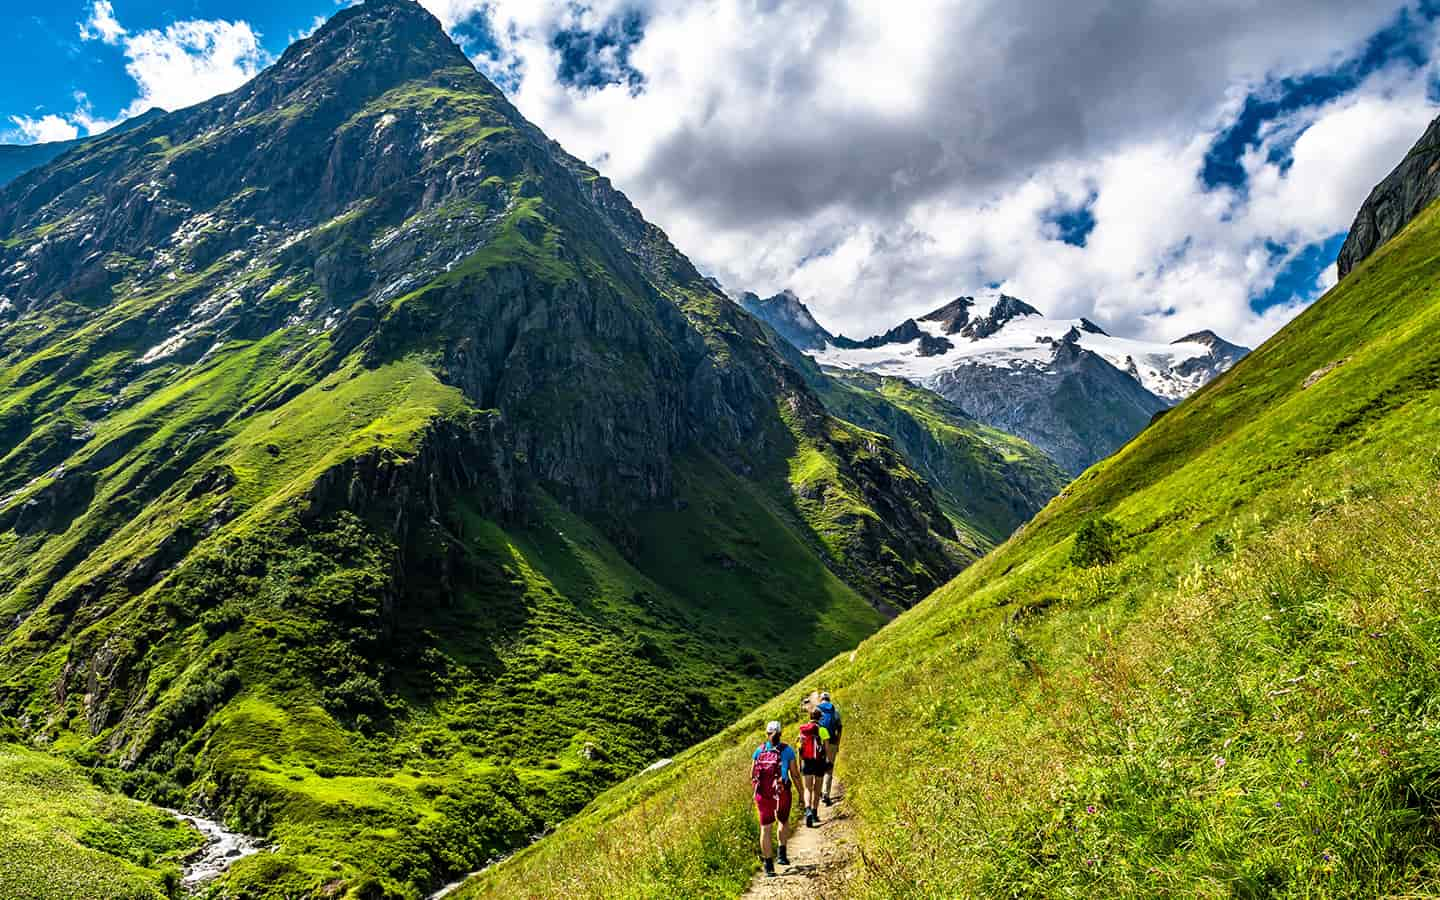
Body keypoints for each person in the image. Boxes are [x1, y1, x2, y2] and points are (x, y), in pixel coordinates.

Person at [751, 720, 804, 877]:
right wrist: (801, 793)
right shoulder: (787, 751)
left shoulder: (758, 751)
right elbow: (794, 774)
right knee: (783, 821)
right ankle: (781, 855)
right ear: (781, 733)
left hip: (763, 794)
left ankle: (769, 868)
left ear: (766, 734)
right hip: (782, 792)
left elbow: (752, 774)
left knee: (765, 828)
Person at [796, 706, 830, 827]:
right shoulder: (823, 730)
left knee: (807, 789)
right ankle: (815, 813)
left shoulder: (803, 731)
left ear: (810, 717)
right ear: (820, 718)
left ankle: (808, 810)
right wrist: (827, 761)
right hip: (819, 762)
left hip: (807, 761)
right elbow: (826, 748)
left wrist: (800, 763)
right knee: (817, 788)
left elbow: (799, 748)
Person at [815, 691, 842, 805]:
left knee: (819, 768)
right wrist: (838, 743)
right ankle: (826, 793)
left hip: (818, 744)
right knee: (829, 768)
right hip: (831, 742)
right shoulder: (835, 712)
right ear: (829, 700)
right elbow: (839, 729)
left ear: (821, 700)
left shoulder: (816, 711)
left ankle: (818, 792)